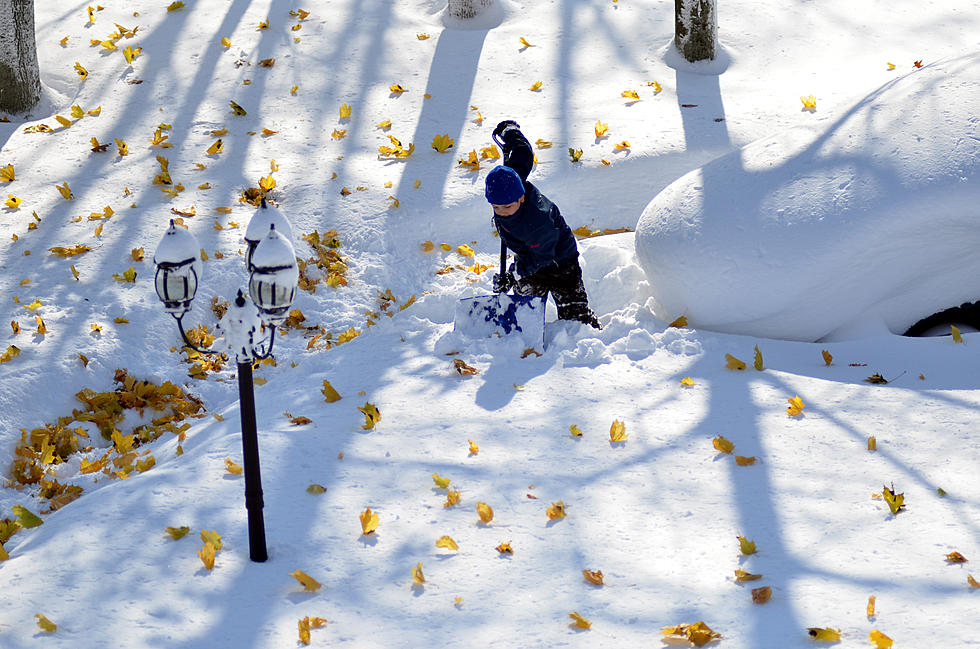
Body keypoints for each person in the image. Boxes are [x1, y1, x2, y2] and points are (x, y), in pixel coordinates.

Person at [485, 120, 601, 329]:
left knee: (574, 318)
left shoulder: (537, 221)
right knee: (524, 311)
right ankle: (527, 333)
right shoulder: (510, 181)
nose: (502, 212)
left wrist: (513, 275)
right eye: (496, 207)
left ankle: (587, 332)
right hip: (531, 255)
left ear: (521, 197)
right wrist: (512, 133)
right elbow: (522, 154)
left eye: (507, 207)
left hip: (560, 261)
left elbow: (542, 256)